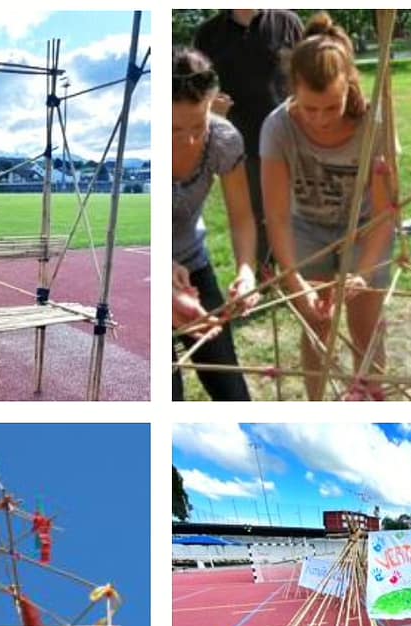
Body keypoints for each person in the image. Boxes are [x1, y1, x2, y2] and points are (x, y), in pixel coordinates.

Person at [260, 12, 394, 401]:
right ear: (293, 90)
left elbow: (387, 213)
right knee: (316, 326)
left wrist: (363, 274)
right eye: (309, 108)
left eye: (331, 107)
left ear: (349, 85)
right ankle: (317, 403)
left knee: (367, 330)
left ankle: (369, 402)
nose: (318, 120)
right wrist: (293, 280)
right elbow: (278, 216)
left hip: (365, 227)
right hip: (307, 229)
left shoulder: (374, 123)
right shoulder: (278, 127)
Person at [172, 47, 260, 401]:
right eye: (175, 128)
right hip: (149, 279)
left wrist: (247, 271)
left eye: (199, 124)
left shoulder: (224, 140)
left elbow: (241, 217)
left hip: (194, 267)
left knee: (233, 393)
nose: (190, 139)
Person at [194, 10, 304, 270]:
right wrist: (210, 105)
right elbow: (197, 89)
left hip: (290, 136)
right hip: (239, 141)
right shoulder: (208, 34)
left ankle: (299, 270)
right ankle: (264, 274)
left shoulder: (287, 23)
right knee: (254, 211)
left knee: (295, 208)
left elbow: (307, 73)